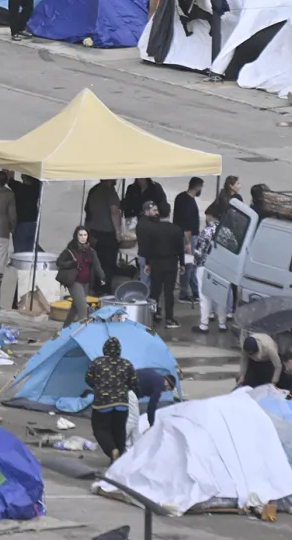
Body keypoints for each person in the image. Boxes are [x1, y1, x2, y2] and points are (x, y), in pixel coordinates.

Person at [136, 200, 185, 329]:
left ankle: (153, 315)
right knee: (169, 292)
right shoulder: (176, 229)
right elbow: (180, 249)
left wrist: (147, 263)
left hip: (156, 263)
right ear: (169, 213)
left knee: (155, 291)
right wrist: (182, 264)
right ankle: (169, 318)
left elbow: (148, 248)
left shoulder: (152, 229)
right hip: (171, 264)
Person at [85, 338, 135, 462]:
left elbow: (88, 379)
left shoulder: (97, 362)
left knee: (100, 429)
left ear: (104, 349)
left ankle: (112, 450)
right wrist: (122, 389)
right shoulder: (127, 364)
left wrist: (98, 387)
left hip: (102, 403)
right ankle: (117, 461)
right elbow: (134, 382)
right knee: (119, 430)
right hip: (122, 403)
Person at [84, 179, 123, 292]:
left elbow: (87, 211)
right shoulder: (110, 191)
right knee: (108, 264)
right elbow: (114, 211)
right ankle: (105, 291)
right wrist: (118, 232)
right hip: (107, 233)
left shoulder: (94, 190)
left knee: (97, 262)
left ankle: (96, 288)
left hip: (93, 232)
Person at [55, 226, 99, 325]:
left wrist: (101, 276)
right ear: (76, 236)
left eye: (85, 235)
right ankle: (81, 334)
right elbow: (59, 262)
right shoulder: (70, 249)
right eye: (80, 235)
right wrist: (71, 264)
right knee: (83, 309)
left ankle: (65, 330)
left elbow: (95, 265)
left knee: (75, 307)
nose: (83, 237)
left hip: (86, 282)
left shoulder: (90, 250)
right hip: (75, 282)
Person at [172, 177, 203, 301]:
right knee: (189, 265)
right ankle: (184, 293)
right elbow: (187, 227)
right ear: (198, 187)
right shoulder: (189, 203)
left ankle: (195, 291)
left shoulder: (180, 197)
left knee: (189, 265)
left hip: (180, 236)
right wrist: (188, 243)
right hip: (188, 238)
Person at [9, 174, 42, 254]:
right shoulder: (37, 187)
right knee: (31, 249)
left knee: (20, 252)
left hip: (22, 223)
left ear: (23, 177)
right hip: (34, 222)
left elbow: (9, 180)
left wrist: (11, 172)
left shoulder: (19, 188)